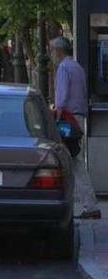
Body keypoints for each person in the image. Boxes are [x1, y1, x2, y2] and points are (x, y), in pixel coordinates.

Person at [51, 37, 101, 219]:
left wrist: (56, 116)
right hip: (78, 117)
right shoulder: (77, 67)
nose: (51, 55)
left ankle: (89, 204)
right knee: (74, 160)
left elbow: (62, 97)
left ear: (58, 50)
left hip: (68, 119)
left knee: (73, 161)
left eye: (52, 50)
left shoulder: (64, 68)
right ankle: (84, 203)